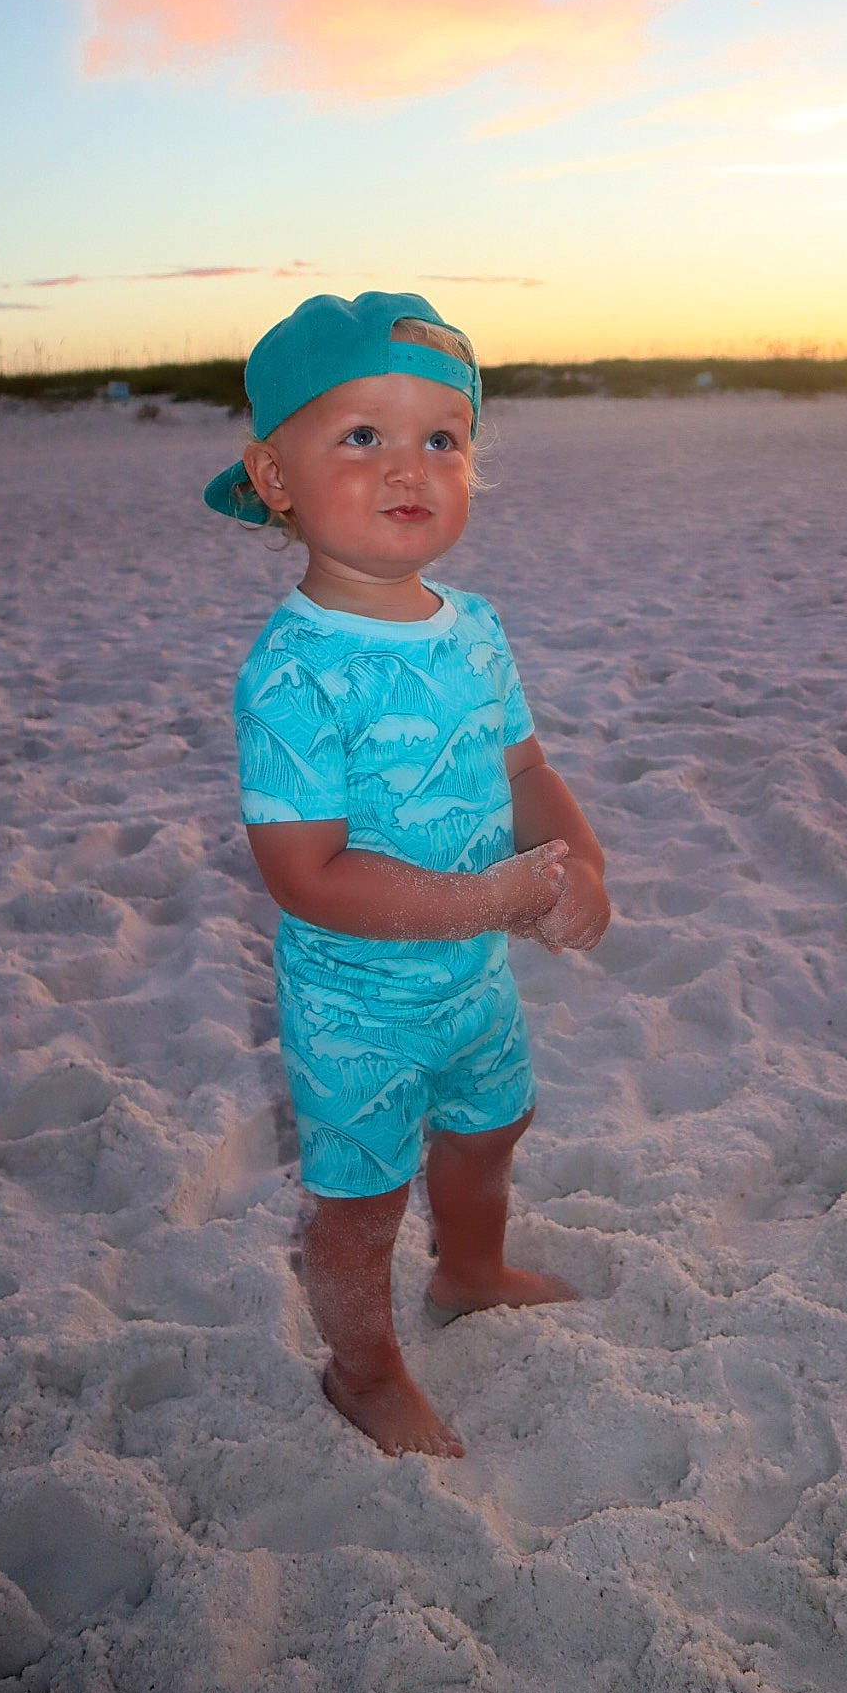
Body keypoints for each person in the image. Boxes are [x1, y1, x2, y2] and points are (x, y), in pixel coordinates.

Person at [204, 290, 610, 1459]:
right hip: (356, 1006)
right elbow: (307, 871)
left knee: (495, 1125)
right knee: (362, 1202)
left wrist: (578, 855)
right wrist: (494, 896)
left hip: (475, 979)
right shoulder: (294, 671)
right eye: (362, 436)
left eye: (442, 436)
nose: (409, 465)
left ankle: (471, 1271)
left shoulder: (474, 626)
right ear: (274, 476)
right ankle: (365, 1369)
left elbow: (524, 762)